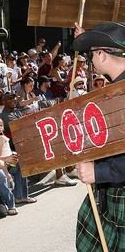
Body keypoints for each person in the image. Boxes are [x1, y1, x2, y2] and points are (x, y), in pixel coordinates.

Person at [72, 21, 125, 251]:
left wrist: (98, 171)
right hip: (111, 190)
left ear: (102, 54)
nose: (90, 59)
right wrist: (89, 38)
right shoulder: (116, 89)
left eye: (92, 53)